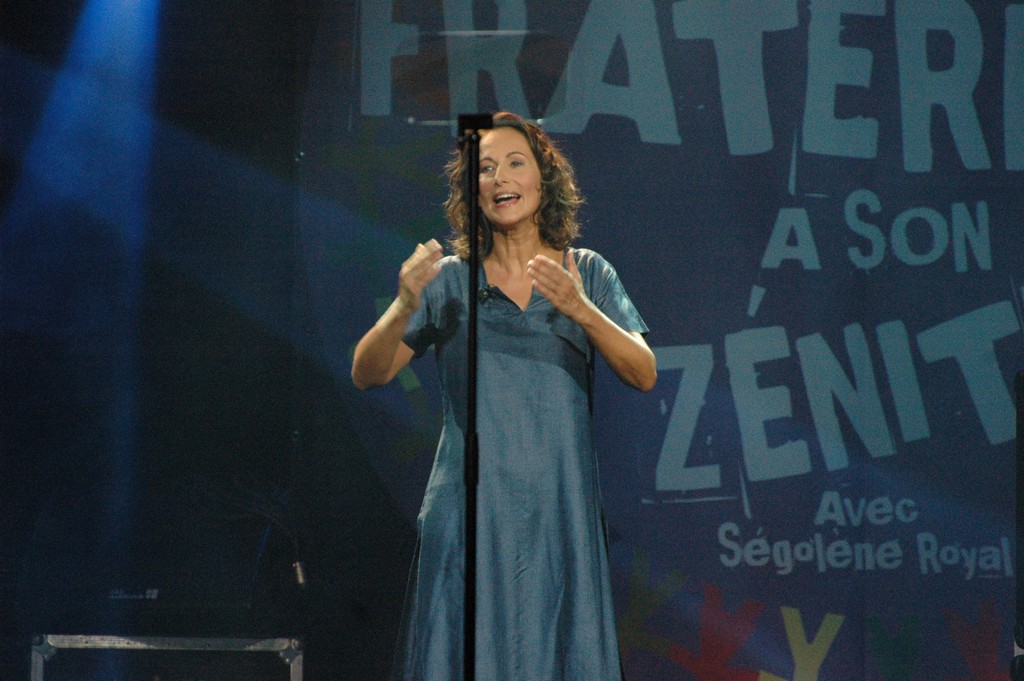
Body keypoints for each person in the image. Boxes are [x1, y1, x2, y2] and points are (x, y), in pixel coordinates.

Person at [351, 111, 656, 681]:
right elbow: (367, 373)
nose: (499, 178)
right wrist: (402, 303)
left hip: (558, 517)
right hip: (468, 519)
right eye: (485, 169)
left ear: (544, 181)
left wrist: (579, 308)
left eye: (515, 163)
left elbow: (643, 373)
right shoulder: (448, 280)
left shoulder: (586, 273)